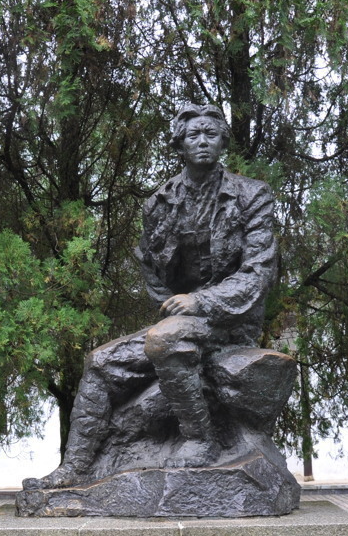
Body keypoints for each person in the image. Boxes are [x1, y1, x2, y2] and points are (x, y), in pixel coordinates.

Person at [33, 103, 278, 489]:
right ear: (179, 143)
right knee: (98, 363)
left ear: (223, 142)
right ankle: (75, 468)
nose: (202, 142)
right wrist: (171, 306)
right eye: (193, 135)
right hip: (180, 321)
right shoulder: (160, 203)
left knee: (165, 338)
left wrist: (201, 303)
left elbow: (258, 273)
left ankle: (201, 440)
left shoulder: (251, 196)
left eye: (210, 134)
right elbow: (149, 264)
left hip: (231, 320)